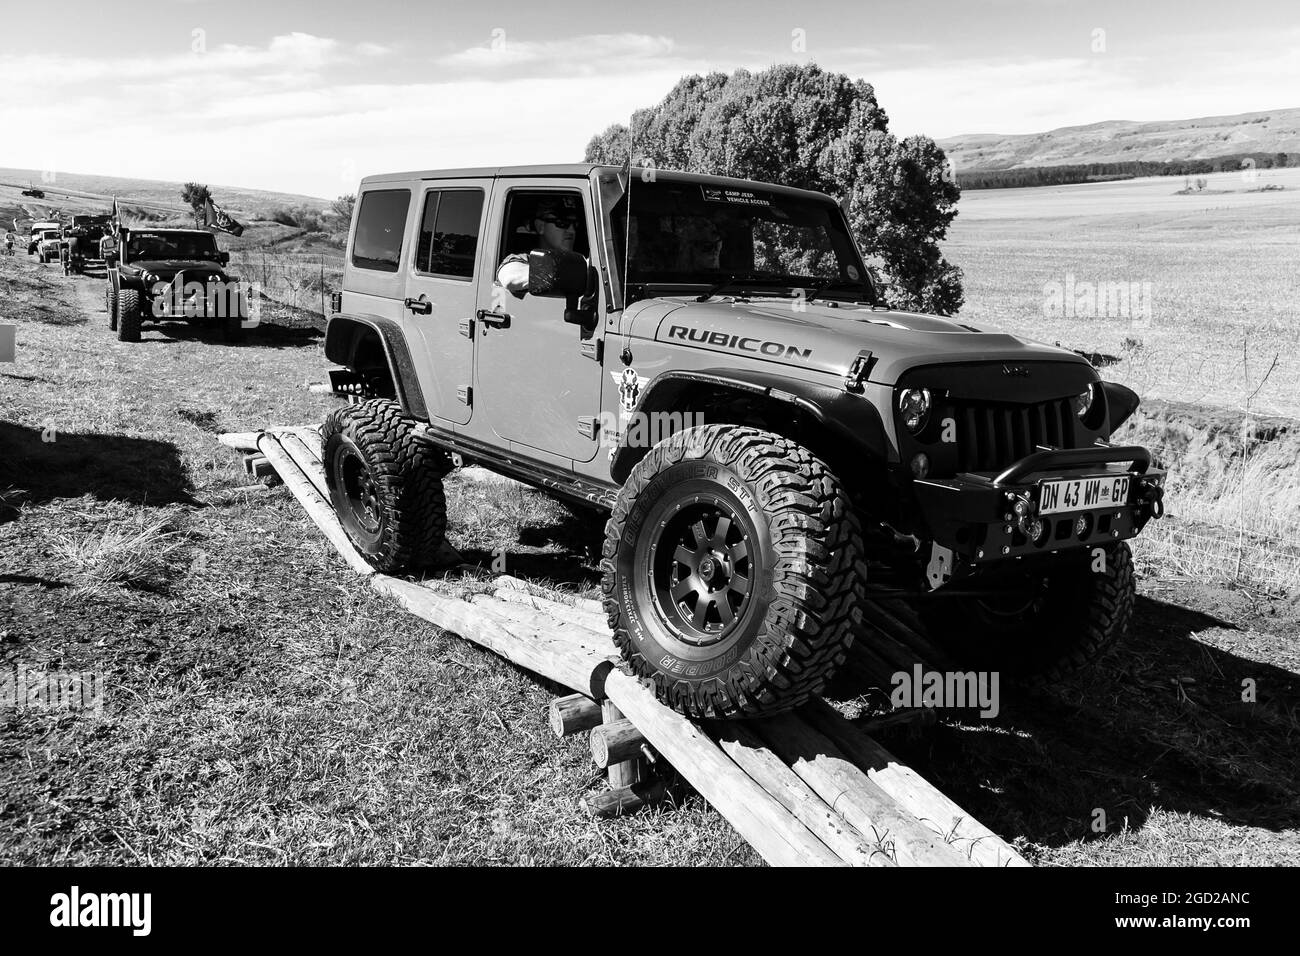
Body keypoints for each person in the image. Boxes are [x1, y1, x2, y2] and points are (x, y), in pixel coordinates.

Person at [495, 195, 580, 297]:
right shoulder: (524, 259)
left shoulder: (584, 260)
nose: (571, 230)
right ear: (540, 226)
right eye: (562, 222)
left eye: (575, 224)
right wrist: (560, 274)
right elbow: (509, 276)